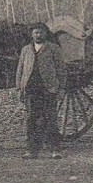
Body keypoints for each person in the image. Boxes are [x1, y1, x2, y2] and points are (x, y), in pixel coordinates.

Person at [15, 22, 63, 159]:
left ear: (46, 34)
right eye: (36, 32)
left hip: (48, 88)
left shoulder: (53, 49)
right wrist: (19, 87)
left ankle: (55, 149)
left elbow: (61, 69)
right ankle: (32, 150)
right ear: (32, 34)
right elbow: (20, 69)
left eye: (41, 32)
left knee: (51, 118)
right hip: (31, 89)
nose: (38, 35)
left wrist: (61, 88)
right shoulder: (26, 50)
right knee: (31, 119)